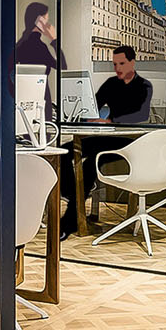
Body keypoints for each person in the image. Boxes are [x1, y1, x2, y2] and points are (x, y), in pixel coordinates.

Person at [57, 45, 151, 238]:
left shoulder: (143, 86)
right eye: (115, 64)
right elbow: (94, 104)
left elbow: (141, 115)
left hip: (129, 140)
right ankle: (73, 193)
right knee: (64, 151)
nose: (117, 68)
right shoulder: (111, 84)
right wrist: (86, 114)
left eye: (121, 63)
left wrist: (111, 121)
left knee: (91, 163)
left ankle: (70, 222)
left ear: (132, 63)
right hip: (107, 136)